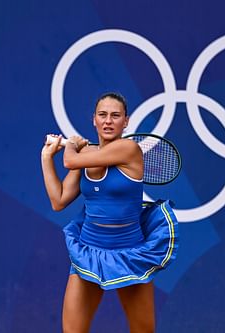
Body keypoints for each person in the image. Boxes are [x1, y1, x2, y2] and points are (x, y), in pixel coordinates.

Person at [41, 92, 178, 333]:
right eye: (102, 115)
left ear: (125, 122)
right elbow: (59, 200)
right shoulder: (84, 155)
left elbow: (70, 161)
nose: (108, 121)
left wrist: (71, 145)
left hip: (130, 253)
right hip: (89, 252)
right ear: (94, 119)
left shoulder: (129, 149)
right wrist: (46, 157)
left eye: (115, 116)